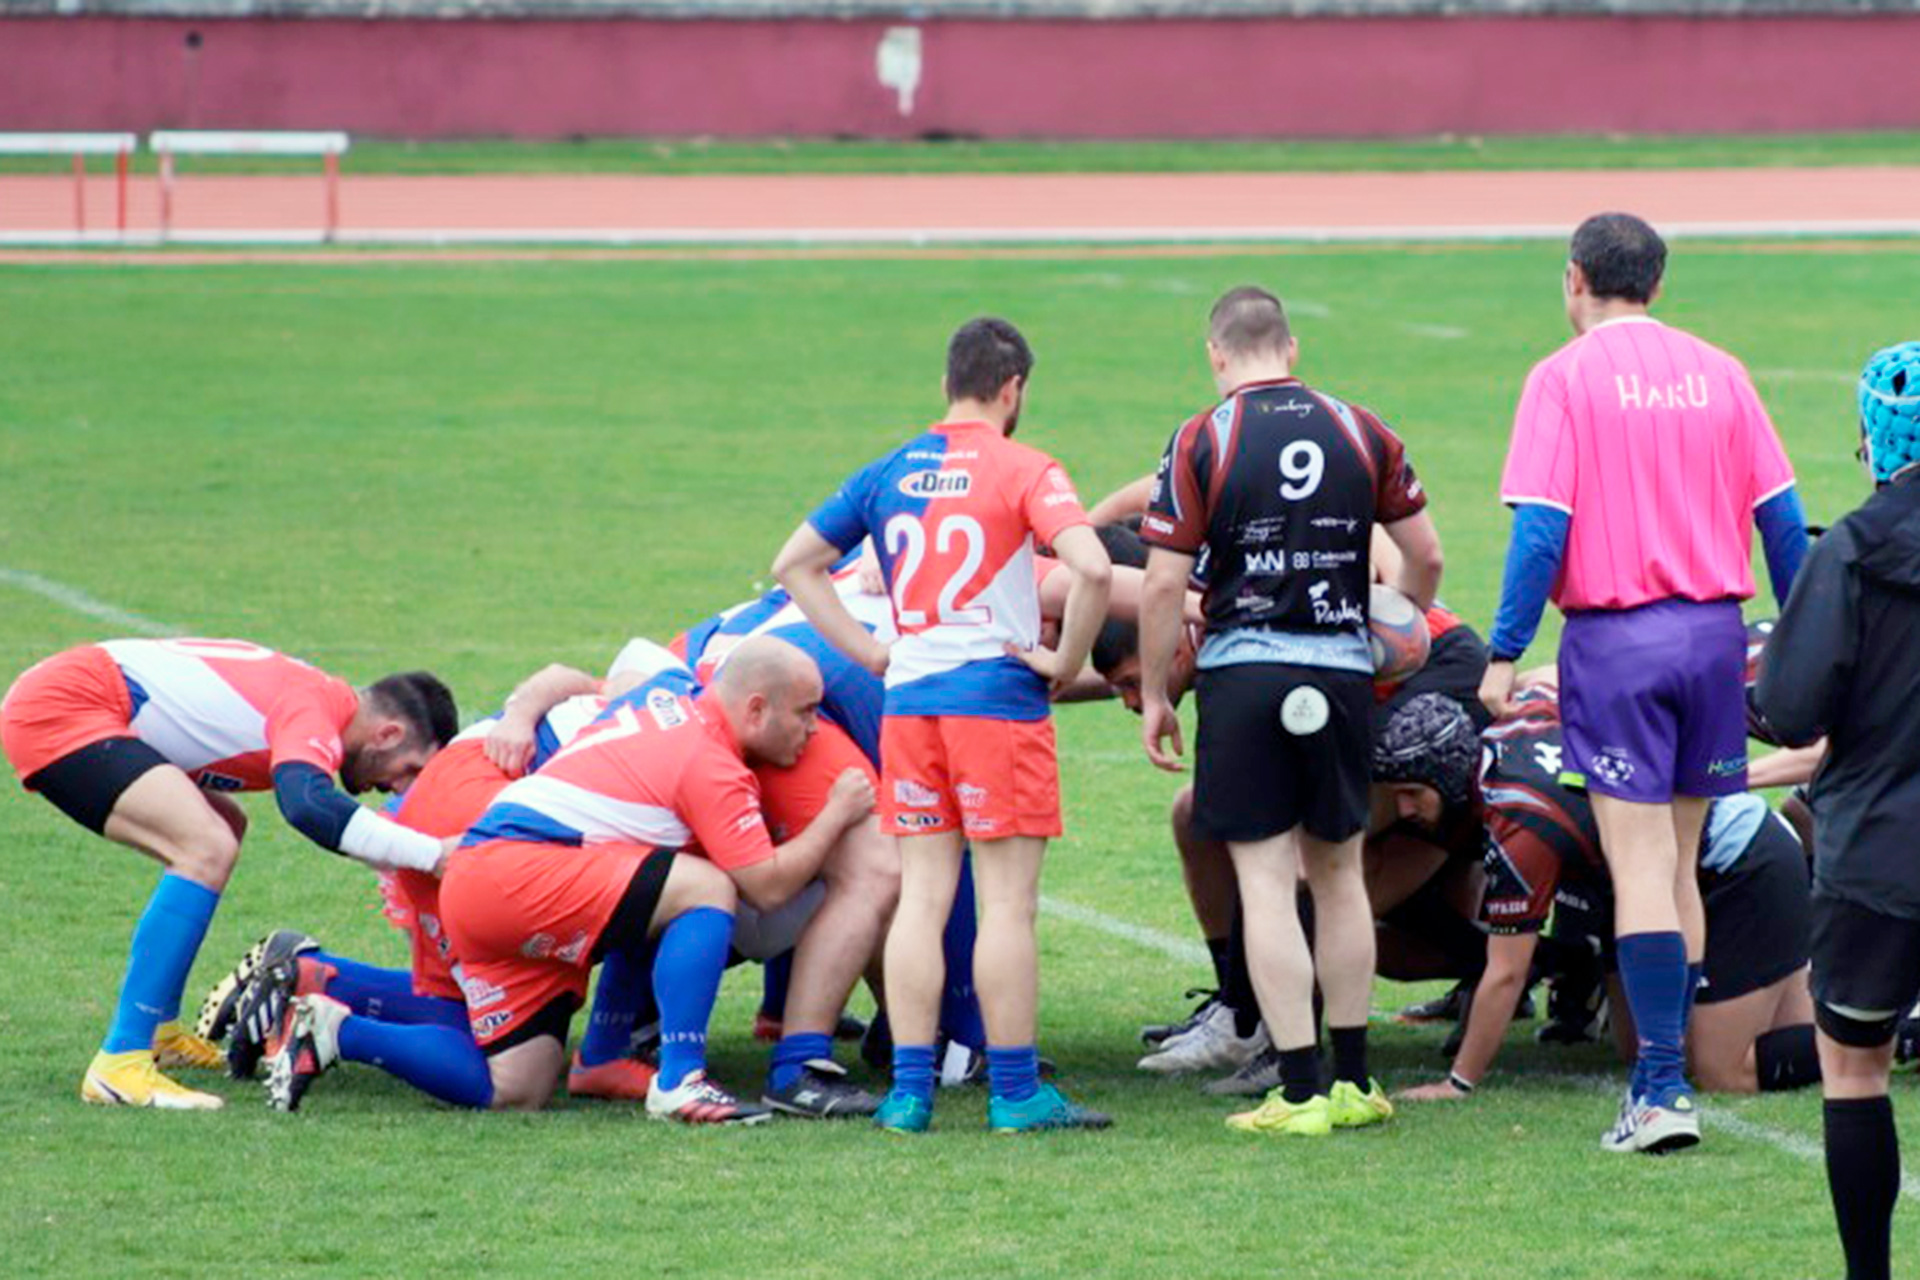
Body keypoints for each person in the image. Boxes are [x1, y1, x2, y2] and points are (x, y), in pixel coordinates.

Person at [1480, 212, 1808, 1154]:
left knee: (1639, 872)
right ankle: (1664, 1074)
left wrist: (1504, 652)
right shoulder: (1722, 370)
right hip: (1713, 642)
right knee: (1681, 863)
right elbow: (1784, 526)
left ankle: (1660, 1087)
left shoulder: (1561, 377)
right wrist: (1800, 641)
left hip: (1618, 646)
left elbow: (1540, 532)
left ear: (1575, 279)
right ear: (1657, 286)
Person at [264, 637, 874, 1120]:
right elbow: (765, 889)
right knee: (706, 887)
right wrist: (836, 815)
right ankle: (682, 1079)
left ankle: (336, 1028)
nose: (815, 729)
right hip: (513, 866)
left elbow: (627, 660)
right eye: (806, 712)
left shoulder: (666, 690)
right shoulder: (710, 763)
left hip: (482, 872)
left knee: (516, 1085)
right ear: (756, 709)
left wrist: (524, 709)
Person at [773, 316, 1114, 1134]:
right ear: (1014, 388)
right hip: (994, 702)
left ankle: (910, 1093)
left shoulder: (891, 466)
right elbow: (1094, 566)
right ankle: (1016, 1091)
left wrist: (870, 649)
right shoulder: (1025, 466)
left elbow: (794, 564)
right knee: (1005, 905)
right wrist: (1067, 661)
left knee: (923, 896)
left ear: (946, 386)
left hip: (912, 702)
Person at [1137, 285, 1443, 1136]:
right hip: (1342, 672)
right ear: (1292, 349)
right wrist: (1395, 634)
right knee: (1340, 877)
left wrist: (1158, 691)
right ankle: (1354, 1082)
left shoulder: (1203, 436)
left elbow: (1164, 581)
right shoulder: (1361, 427)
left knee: (1266, 882)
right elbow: (1426, 555)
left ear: (1217, 355)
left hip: (1245, 676)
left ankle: (1299, 1091)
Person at [0, 636, 455, 1110]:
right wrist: (432, 854)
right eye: (411, 770)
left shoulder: (318, 697)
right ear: (389, 734)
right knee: (204, 846)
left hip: (76, 699)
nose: (398, 787)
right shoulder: (316, 708)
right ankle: (120, 1063)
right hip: (64, 708)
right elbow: (309, 807)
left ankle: (158, 1032)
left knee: (221, 828)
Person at [1385, 690, 1818, 1104]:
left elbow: (1506, 973)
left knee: (1720, 1071)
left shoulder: (1520, 823)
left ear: (1447, 773)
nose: (1403, 810)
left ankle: (1876, 1033)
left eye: (1413, 793)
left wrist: (1459, 1082)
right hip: (1637, 881)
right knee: (1636, 1049)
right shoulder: (1506, 729)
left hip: (1738, 863)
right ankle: (1849, 1018)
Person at [1756, 340, 1920, 1280]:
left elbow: (1790, 708)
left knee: (1855, 1070)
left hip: (1878, 852)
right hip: (1879, 845)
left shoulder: (1850, 549)